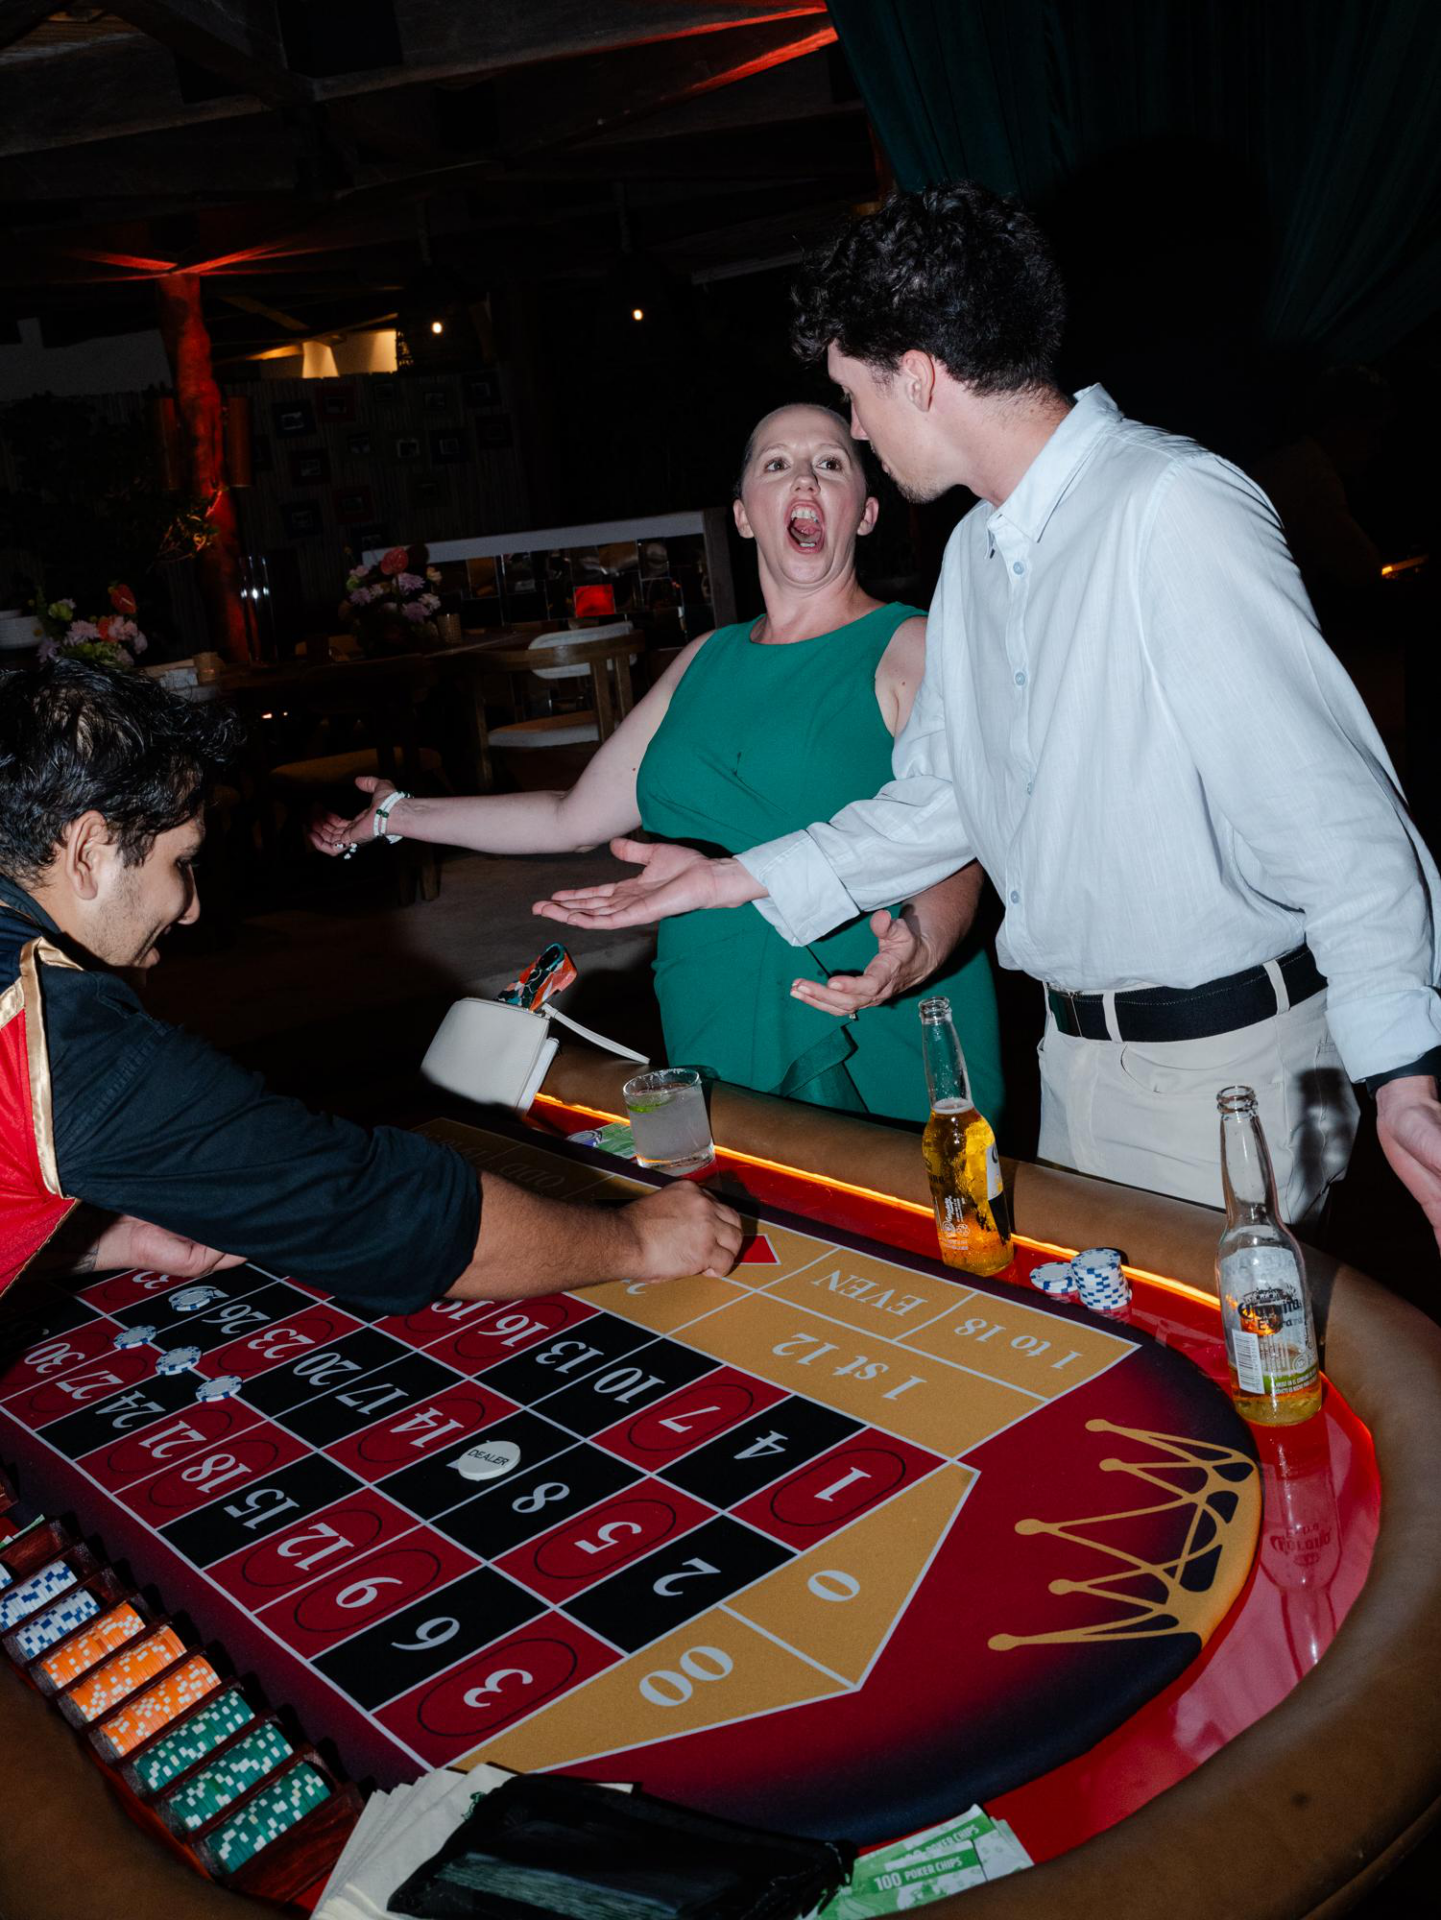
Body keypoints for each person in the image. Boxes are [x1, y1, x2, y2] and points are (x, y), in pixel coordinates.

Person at [534, 184, 1441, 1248]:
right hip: (1077, 1058)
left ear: (916, 375)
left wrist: (1400, 1071)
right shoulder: (974, 555)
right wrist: (732, 876)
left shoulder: (1169, 506)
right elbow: (942, 799)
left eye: (853, 398)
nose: (858, 430)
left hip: (1221, 1064)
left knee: (1217, 1402)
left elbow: (1339, 821)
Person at [312, 403, 1004, 1127]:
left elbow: (958, 835)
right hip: (710, 983)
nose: (803, 476)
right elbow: (571, 817)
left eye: (829, 463)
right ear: (742, 516)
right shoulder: (705, 659)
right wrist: (398, 815)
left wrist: (918, 948)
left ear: (863, 513)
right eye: (776, 464)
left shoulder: (911, 645)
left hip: (861, 995)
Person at [0, 659, 740, 1308]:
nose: (192, 908)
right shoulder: (64, 1040)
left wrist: (101, 1244)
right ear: (91, 852)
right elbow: (378, 1211)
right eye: (181, 863)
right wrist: (636, 1238)